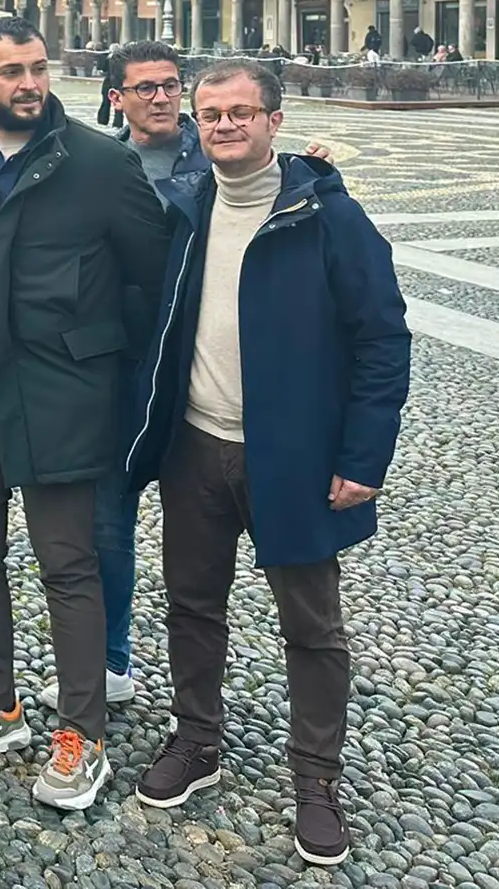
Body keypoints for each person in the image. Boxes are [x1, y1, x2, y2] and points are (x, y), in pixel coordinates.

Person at [125, 59, 409, 866]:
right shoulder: (185, 208)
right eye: (209, 113)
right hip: (195, 445)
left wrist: (364, 454)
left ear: (275, 121)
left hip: (294, 457)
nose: (223, 126)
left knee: (312, 626)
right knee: (192, 604)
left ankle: (316, 779)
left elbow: (383, 338)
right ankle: (197, 739)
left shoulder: (327, 216)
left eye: (241, 112)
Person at [0, 17, 170, 811]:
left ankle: (82, 733)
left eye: (38, 68)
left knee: (68, 564)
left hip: (60, 393)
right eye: (12, 71)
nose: (29, 83)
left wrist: (95, 349)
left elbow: (153, 275)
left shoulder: (101, 162)